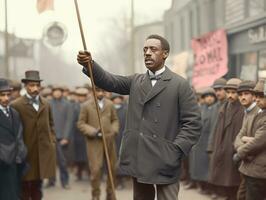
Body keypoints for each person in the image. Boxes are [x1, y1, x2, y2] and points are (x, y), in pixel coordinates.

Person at [77, 34, 201, 200]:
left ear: (165, 54)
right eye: (145, 50)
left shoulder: (180, 84)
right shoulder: (136, 81)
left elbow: (193, 123)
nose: (147, 53)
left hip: (167, 159)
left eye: (153, 49)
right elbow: (110, 81)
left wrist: (176, 150)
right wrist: (90, 65)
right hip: (140, 157)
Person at [11, 70, 56, 200]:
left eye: (37, 85)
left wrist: (52, 140)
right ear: (26, 86)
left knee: (38, 185)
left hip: (42, 152)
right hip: (26, 151)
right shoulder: (16, 105)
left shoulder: (46, 104)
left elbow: (51, 123)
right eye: (31, 85)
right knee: (25, 185)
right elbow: (14, 129)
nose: (35, 88)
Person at [78, 87, 119, 200]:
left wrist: (114, 130)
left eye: (102, 91)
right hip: (94, 142)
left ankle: (110, 194)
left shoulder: (110, 104)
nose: (100, 93)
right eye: (98, 91)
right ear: (93, 92)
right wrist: (93, 131)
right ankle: (95, 195)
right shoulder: (86, 106)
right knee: (96, 170)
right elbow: (81, 123)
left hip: (109, 141)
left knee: (112, 169)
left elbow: (115, 119)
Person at [208, 78, 244, 200]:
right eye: (228, 92)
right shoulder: (224, 107)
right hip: (222, 148)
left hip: (234, 149)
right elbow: (216, 130)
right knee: (225, 181)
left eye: (234, 93)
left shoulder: (243, 109)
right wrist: (212, 147)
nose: (230, 95)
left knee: (234, 181)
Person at [234, 79, 266, 200]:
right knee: (241, 196)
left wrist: (240, 153)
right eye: (256, 96)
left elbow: (258, 142)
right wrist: (243, 143)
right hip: (248, 167)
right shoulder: (255, 113)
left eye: (261, 96)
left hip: (258, 171)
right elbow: (239, 135)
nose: (257, 99)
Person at [0, 78, 27, 200]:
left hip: (15, 163)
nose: (6, 98)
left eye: (8, 94)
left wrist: (21, 154)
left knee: (14, 194)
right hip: (2, 163)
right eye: (2, 95)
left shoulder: (14, 113)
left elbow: (19, 136)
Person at [189, 88, 217, 194]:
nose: (209, 99)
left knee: (208, 166)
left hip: (209, 140)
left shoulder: (215, 108)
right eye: (206, 97)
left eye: (211, 96)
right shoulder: (201, 109)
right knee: (199, 165)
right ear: (203, 99)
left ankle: (209, 187)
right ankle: (201, 185)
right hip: (200, 141)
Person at [48, 85, 72, 189]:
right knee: (50, 161)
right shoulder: (48, 103)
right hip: (50, 136)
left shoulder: (67, 104)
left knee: (63, 162)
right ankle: (51, 181)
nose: (57, 93)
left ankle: (65, 181)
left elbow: (69, 122)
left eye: (59, 91)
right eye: (55, 91)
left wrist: (66, 137)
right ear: (52, 93)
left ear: (62, 92)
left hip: (62, 138)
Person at [71, 87, 89, 181]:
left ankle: (89, 172)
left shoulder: (89, 105)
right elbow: (71, 120)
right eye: (79, 96)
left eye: (83, 96)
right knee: (78, 155)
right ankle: (79, 173)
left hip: (87, 133)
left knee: (88, 154)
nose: (81, 98)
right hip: (76, 134)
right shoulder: (74, 106)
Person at [111, 93, 128, 189]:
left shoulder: (126, 110)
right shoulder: (110, 109)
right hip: (112, 137)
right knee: (112, 159)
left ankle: (121, 180)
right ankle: (113, 180)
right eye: (115, 98)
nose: (117, 100)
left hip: (122, 137)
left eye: (119, 98)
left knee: (121, 159)